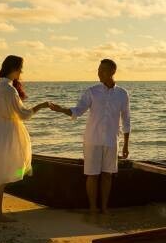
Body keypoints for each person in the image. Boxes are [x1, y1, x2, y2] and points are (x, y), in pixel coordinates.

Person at [49, 59, 130, 214]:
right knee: (92, 175)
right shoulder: (92, 91)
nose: (98, 73)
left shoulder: (122, 94)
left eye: (102, 70)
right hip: (92, 140)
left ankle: (104, 208)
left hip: (112, 141)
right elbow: (78, 110)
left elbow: (126, 119)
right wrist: (61, 110)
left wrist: (126, 144)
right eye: (98, 70)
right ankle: (93, 208)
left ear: (112, 72)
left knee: (107, 176)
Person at [0, 55, 49, 222]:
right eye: (20, 68)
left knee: (1, 176)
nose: (21, 72)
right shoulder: (9, 90)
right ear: (14, 69)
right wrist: (41, 106)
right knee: (2, 177)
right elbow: (23, 115)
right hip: (9, 134)